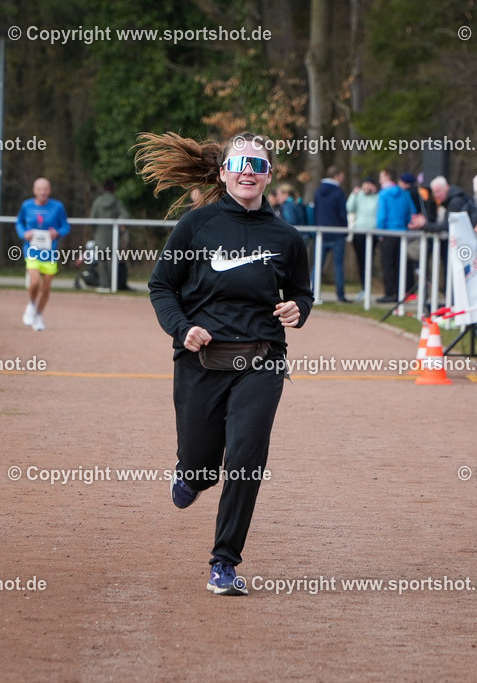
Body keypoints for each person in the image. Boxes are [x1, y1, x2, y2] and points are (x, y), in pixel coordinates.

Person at [136, 130, 313, 596]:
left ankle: (224, 563)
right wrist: (182, 328)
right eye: (240, 164)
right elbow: (161, 286)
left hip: (262, 360)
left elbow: (301, 292)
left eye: (258, 165)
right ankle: (192, 473)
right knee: (201, 466)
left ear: (269, 176)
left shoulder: (287, 237)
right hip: (201, 360)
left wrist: (298, 309)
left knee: (246, 459)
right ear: (223, 173)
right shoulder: (196, 226)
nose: (248, 172)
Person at [17, 177, 70, 331]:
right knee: (34, 282)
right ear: (34, 191)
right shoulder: (26, 206)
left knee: (46, 288)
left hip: (50, 253)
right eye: (40, 189)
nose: (43, 192)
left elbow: (66, 226)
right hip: (32, 251)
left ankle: (39, 315)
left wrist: (57, 233)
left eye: (45, 189)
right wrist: (24, 234)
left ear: (50, 190)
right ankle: (31, 304)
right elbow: (19, 223)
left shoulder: (57, 206)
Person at [375, 169, 415, 303]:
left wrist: (380, 232)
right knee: (400, 264)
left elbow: (381, 215)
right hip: (402, 233)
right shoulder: (404, 193)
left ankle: (390, 293)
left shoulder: (383, 194)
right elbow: (412, 212)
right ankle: (401, 291)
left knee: (387, 264)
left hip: (388, 233)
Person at [313, 165, 349, 302]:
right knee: (338, 265)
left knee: (317, 265)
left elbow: (315, 212)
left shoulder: (318, 191)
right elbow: (342, 213)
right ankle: (340, 295)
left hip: (321, 233)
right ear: (337, 176)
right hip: (337, 233)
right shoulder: (339, 192)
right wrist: (345, 230)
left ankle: (313, 292)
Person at [89, 179, 131, 292]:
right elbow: (126, 216)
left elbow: (92, 220)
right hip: (113, 237)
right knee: (113, 262)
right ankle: (113, 285)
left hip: (100, 237)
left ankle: (104, 285)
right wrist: (122, 229)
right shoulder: (116, 201)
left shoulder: (98, 202)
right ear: (113, 189)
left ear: (103, 189)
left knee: (101, 262)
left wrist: (95, 232)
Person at [346, 177, 379, 301]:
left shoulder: (377, 197)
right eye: (366, 184)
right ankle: (363, 288)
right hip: (359, 232)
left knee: (369, 260)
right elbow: (349, 208)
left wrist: (375, 194)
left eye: (370, 185)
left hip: (372, 232)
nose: (367, 187)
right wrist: (353, 195)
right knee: (361, 261)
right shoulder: (358, 195)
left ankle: (368, 287)